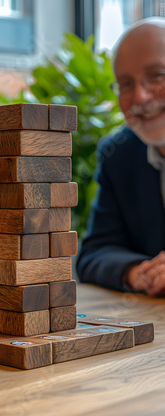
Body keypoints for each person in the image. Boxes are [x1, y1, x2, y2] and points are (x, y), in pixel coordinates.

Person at [76, 17, 165, 297]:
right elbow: (94, 254)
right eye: (125, 84)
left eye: (157, 75)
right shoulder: (119, 154)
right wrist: (137, 271)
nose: (140, 96)